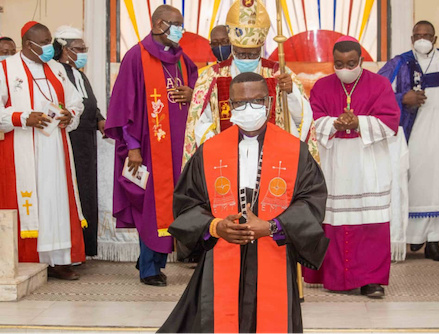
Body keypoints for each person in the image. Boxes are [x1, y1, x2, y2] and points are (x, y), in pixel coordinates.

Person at [158, 72, 328, 333]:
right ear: (229, 106)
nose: (249, 109)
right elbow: (186, 202)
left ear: (270, 103)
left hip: (274, 252)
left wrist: (273, 226)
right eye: (240, 103)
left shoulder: (295, 152)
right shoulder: (210, 151)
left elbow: (311, 202)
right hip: (221, 256)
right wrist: (215, 226)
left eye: (257, 101)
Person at [105, 5, 198, 286]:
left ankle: (153, 260)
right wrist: (132, 147)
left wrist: (192, 93)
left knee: (171, 206)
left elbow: (202, 92)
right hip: (147, 149)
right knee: (150, 208)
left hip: (177, 149)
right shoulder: (136, 57)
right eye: (175, 25)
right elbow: (123, 105)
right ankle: (149, 268)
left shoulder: (183, 61)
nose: (180, 31)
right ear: (159, 24)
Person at [302, 36, 400, 298]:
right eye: (339, 63)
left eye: (351, 63)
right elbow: (313, 122)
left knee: (371, 222)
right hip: (335, 164)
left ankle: (372, 281)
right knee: (335, 220)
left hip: (368, 162)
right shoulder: (322, 87)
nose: (345, 68)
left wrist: (358, 123)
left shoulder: (379, 84)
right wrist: (335, 124)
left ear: (362, 61)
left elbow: (391, 122)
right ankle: (337, 278)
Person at [183, 0, 319, 166]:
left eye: (252, 54)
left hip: (272, 159)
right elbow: (198, 123)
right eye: (241, 54)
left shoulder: (278, 73)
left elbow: (300, 120)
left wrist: (291, 93)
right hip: (226, 159)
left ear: (261, 48)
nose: (246, 59)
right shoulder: (212, 76)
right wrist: (219, 146)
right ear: (232, 47)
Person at [378, 20, 439, 262]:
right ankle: (412, 237)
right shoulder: (400, 62)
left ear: (435, 39)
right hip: (414, 134)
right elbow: (377, 91)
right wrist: (402, 98)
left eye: (427, 35)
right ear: (411, 38)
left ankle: (434, 242)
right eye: (417, 35)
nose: (422, 39)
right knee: (416, 182)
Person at [0, 21, 85, 279]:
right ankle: (29, 259)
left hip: (56, 149)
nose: (51, 47)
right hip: (23, 149)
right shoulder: (5, 69)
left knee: (56, 201)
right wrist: (24, 118)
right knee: (32, 202)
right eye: (45, 43)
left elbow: (75, 102)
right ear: (28, 44)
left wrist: (70, 116)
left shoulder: (57, 69)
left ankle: (59, 261)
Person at [53, 25, 105, 257]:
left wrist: (100, 120)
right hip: (69, 140)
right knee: (72, 192)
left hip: (87, 143)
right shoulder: (55, 71)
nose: (83, 52)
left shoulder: (79, 73)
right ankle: (72, 249)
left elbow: (89, 104)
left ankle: (85, 248)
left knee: (86, 193)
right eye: (79, 48)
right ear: (64, 49)